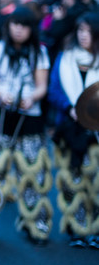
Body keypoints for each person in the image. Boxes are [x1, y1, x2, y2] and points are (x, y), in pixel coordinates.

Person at [0, 6, 52, 245]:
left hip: (30, 118)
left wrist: (32, 97)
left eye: (24, 25)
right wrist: (1, 93)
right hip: (0, 117)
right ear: (8, 25)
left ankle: (36, 225)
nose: (19, 30)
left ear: (31, 28)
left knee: (33, 175)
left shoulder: (39, 52)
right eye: (15, 24)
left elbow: (42, 86)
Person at [48, 12, 99, 248]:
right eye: (80, 30)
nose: (83, 35)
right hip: (70, 127)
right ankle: (75, 228)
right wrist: (70, 108)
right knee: (72, 178)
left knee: (95, 180)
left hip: (95, 131)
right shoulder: (65, 58)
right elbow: (54, 90)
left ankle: (96, 229)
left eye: (87, 31)